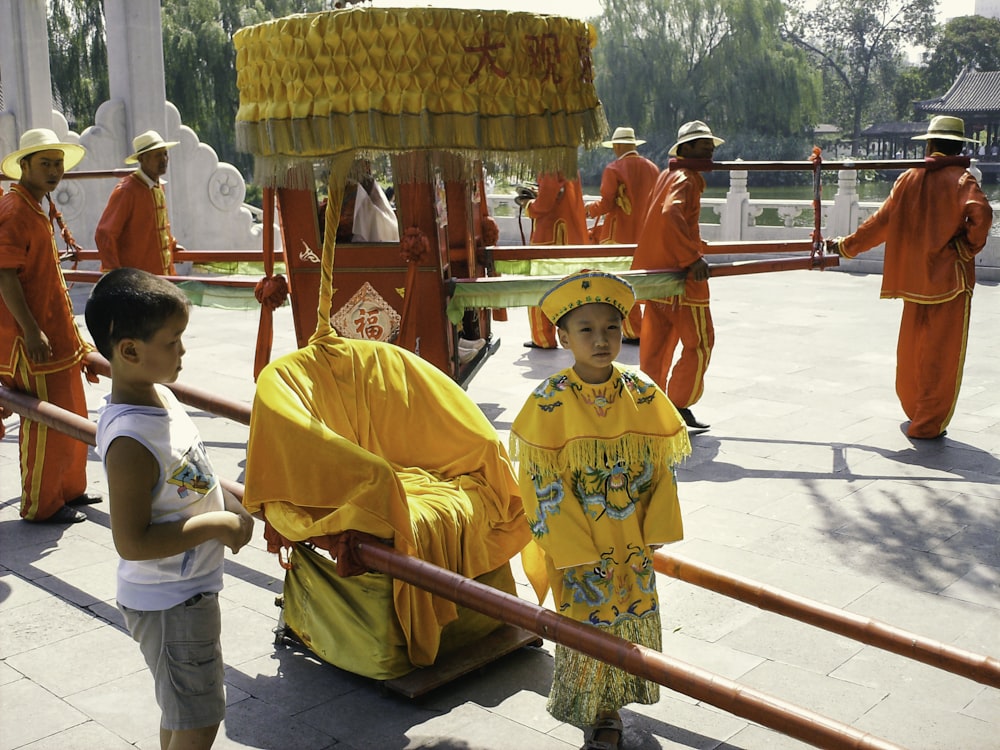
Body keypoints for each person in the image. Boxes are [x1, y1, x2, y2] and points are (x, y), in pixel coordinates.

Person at [510, 270, 689, 750]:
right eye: (586, 329)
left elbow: (662, 469)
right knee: (589, 626)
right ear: (563, 337)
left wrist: (654, 530)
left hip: (632, 540)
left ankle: (618, 698)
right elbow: (540, 484)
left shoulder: (644, 393)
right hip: (582, 549)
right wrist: (572, 548)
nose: (601, 339)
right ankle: (599, 713)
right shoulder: (548, 402)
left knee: (629, 615)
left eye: (611, 327)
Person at [85, 267, 255, 750]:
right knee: (201, 718)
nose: (183, 352)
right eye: (173, 342)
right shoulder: (130, 443)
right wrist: (218, 523)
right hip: (169, 600)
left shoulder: (159, 394)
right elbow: (132, 541)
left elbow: (190, 473)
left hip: (186, 590)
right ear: (130, 351)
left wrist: (235, 502)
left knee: (181, 709)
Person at [826, 115, 994, 440]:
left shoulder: (908, 178)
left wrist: (846, 246)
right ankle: (927, 423)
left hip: (915, 281)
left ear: (929, 144)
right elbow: (982, 214)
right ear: (960, 146)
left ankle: (914, 410)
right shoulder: (962, 179)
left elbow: (879, 224)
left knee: (912, 349)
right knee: (941, 355)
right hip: (948, 282)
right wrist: (965, 248)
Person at [0, 127, 99, 523]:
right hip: (32, 340)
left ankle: (69, 490)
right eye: (45, 164)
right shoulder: (14, 210)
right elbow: (4, 275)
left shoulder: (34, 205)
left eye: (58, 164)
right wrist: (30, 329)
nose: (55, 171)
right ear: (24, 166)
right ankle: (41, 505)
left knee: (72, 413)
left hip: (56, 334)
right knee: (44, 421)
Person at [633, 120, 724, 430]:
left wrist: (693, 243)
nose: (710, 153)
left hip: (659, 277)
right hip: (681, 278)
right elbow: (669, 214)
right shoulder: (686, 177)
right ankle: (678, 403)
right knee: (700, 343)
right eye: (703, 147)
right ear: (685, 149)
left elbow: (666, 219)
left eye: (711, 148)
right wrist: (691, 256)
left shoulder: (668, 174)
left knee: (656, 346)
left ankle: (648, 405)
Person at [587, 126, 660, 343]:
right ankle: (649, 329)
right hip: (646, 235)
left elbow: (606, 203)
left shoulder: (614, 168)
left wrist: (588, 209)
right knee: (643, 281)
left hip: (619, 235)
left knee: (620, 283)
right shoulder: (653, 168)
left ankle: (633, 330)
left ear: (617, 146)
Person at [515, 172, 589, 349]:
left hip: (551, 235)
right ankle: (575, 335)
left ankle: (542, 338)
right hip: (569, 234)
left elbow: (544, 203)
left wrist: (529, 205)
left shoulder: (551, 164)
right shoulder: (568, 164)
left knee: (539, 286)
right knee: (571, 288)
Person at [95, 130, 184, 275]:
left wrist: (171, 245)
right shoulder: (127, 190)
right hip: (138, 280)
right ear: (142, 159)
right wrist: (114, 274)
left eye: (165, 154)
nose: (164, 159)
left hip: (161, 275)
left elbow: (160, 225)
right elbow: (104, 234)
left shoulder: (157, 186)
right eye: (157, 155)